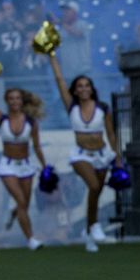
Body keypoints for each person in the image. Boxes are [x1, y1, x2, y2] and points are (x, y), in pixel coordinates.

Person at [47, 57, 123, 253]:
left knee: (95, 194)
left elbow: (111, 133)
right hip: (81, 154)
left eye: (86, 85)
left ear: (91, 88)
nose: (83, 89)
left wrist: (117, 156)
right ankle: (95, 226)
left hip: (102, 154)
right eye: (79, 86)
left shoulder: (102, 108)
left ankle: (90, 232)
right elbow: (59, 80)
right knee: (94, 185)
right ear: (75, 89)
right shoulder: (71, 106)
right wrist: (52, 56)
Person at [0, 77, 47, 250]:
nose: (15, 101)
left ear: (22, 100)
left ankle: (14, 213)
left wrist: (44, 165)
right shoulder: (2, 119)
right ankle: (31, 239)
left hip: (26, 165)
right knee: (21, 201)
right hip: (8, 165)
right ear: (7, 101)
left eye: (17, 98)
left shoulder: (31, 122)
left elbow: (37, 146)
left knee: (23, 203)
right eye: (11, 98)